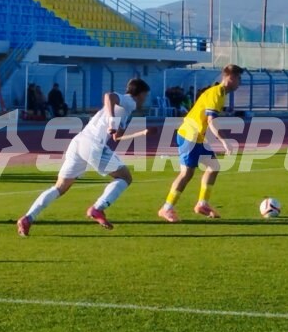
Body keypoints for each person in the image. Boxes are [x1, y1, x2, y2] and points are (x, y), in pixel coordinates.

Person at [17, 78, 151, 235]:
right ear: (140, 94)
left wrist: (140, 133)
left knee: (60, 187)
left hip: (78, 143)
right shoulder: (130, 101)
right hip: (93, 144)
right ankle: (98, 208)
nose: (145, 99)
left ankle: (27, 218)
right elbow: (109, 96)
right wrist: (111, 122)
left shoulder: (125, 109)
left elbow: (117, 137)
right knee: (125, 177)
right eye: (145, 95)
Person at [158, 64, 242, 223]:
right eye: (238, 78)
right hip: (189, 135)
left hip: (197, 137)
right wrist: (224, 141)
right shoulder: (216, 93)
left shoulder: (220, 93)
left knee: (214, 166)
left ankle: (202, 204)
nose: (240, 82)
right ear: (230, 78)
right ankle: (166, 208)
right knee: (186, 173)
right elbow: (211, 121)